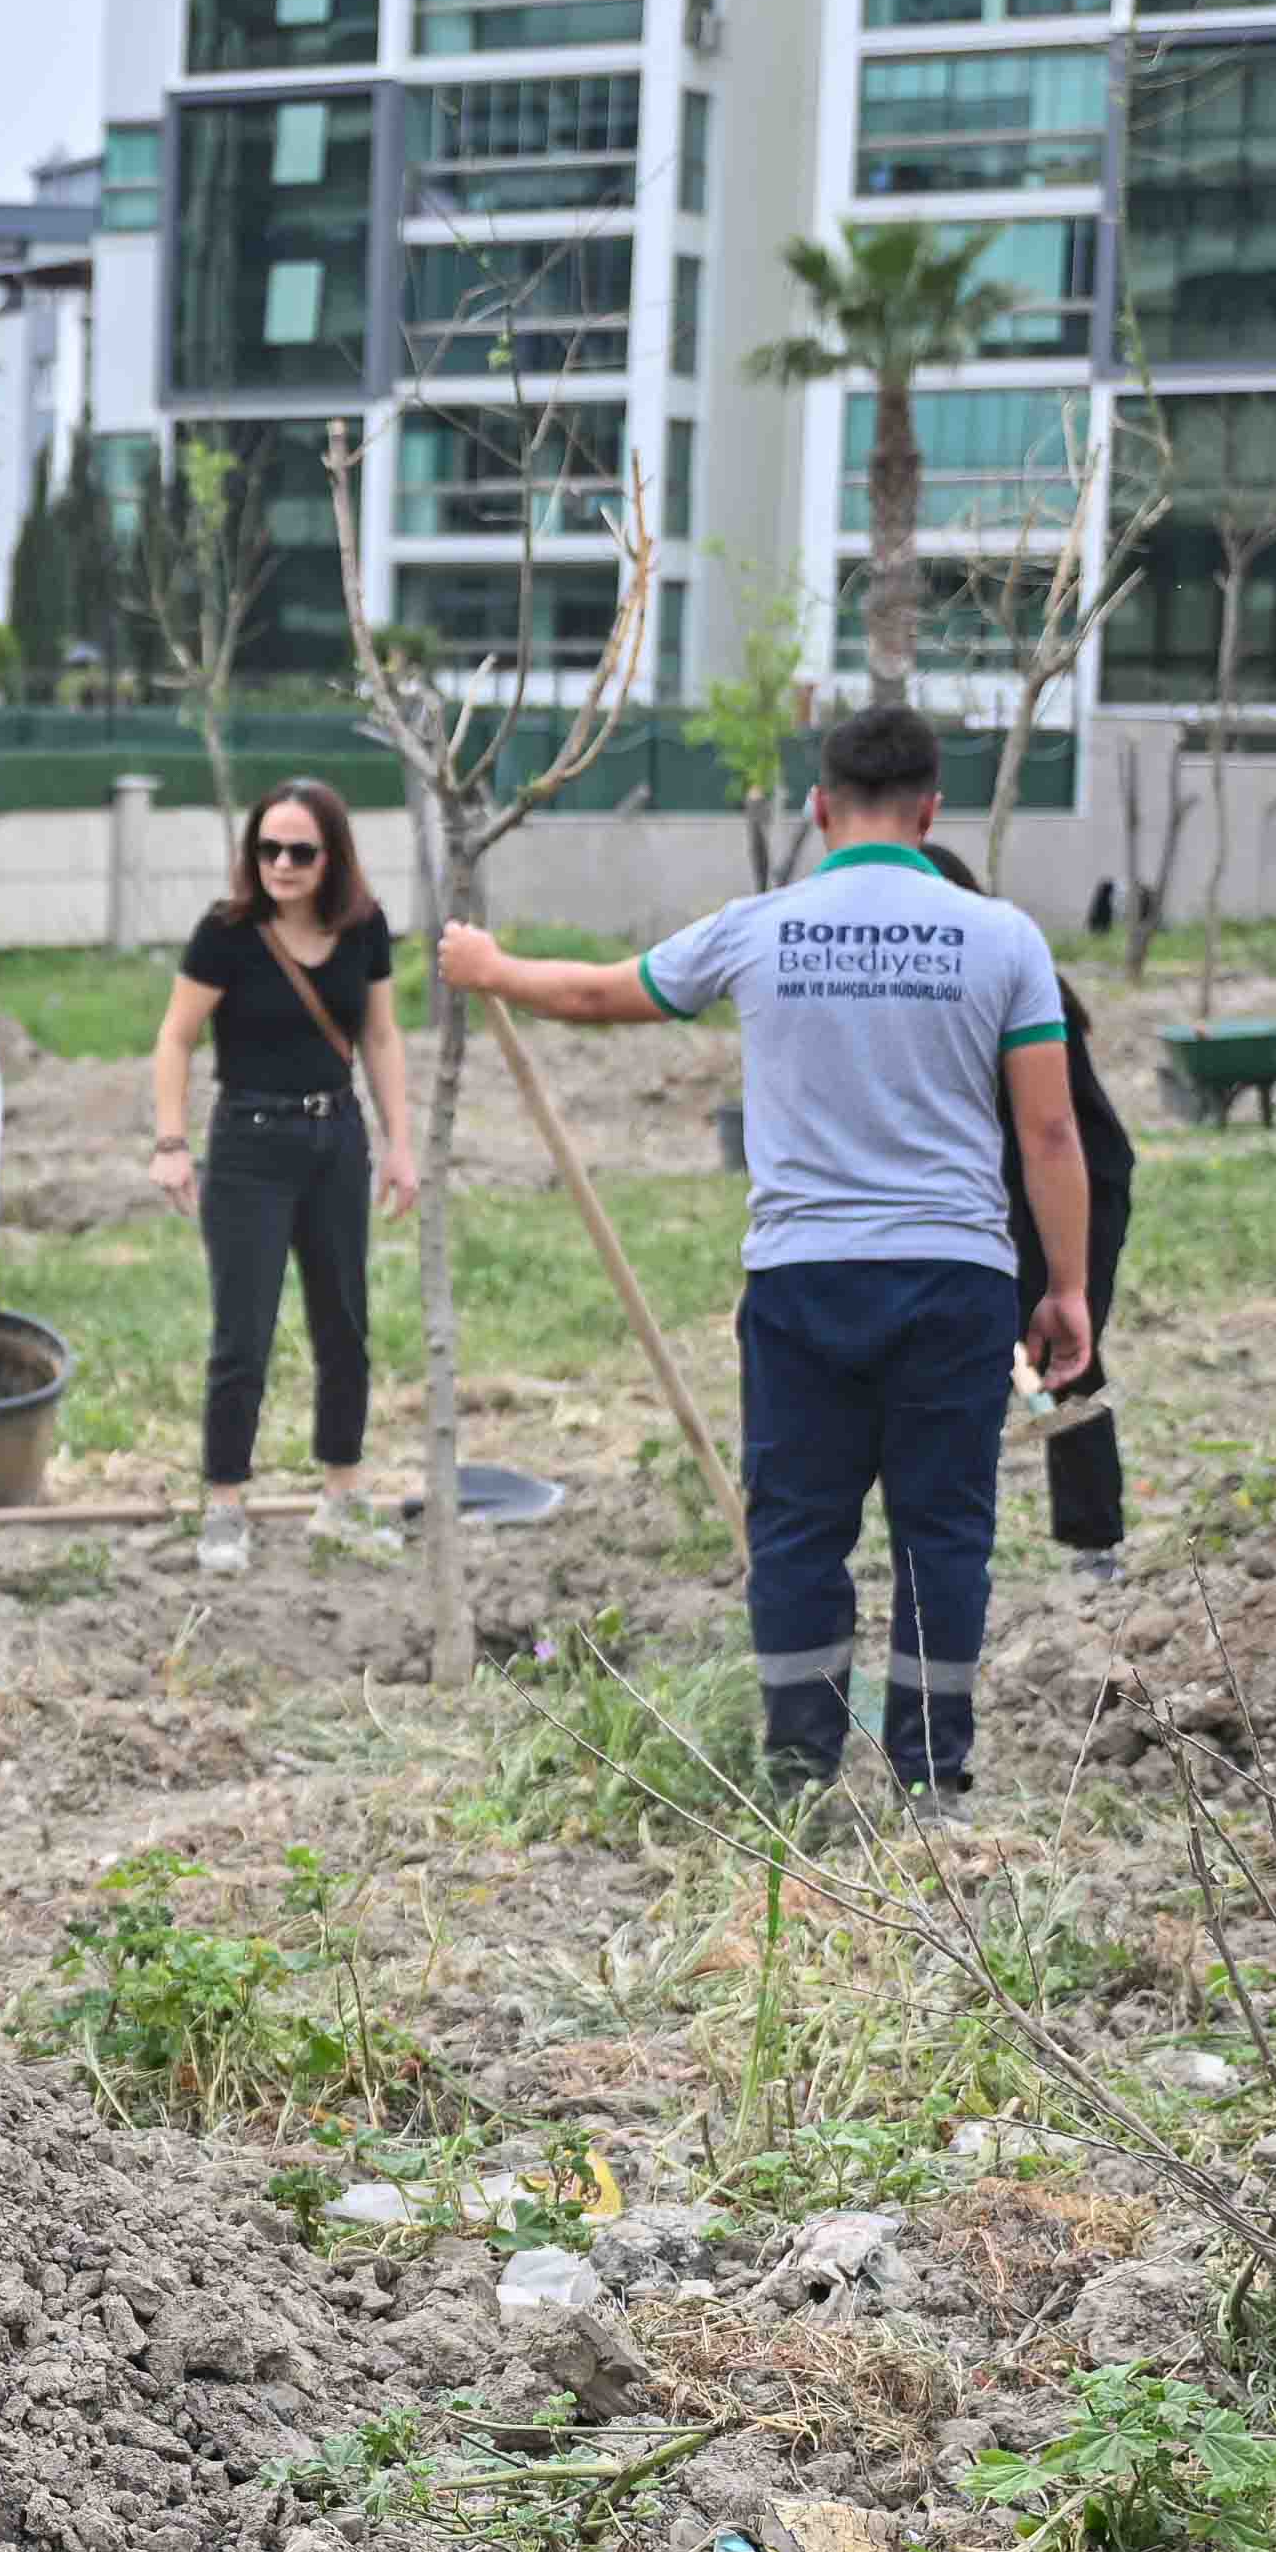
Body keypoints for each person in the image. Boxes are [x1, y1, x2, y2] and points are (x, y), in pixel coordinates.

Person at [442, 703, 1092, 1818]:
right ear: (932, 811)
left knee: (797, 1529)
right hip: (954, 1277)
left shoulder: (760, 928)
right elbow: (1049, 1131)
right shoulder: (1003, 938)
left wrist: (491, 966)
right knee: (943, 1533)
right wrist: (1066, 1287)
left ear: (819, 807)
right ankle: (933, 1781)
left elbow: (599, 994)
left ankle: (799, 1774)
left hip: (803, 1279)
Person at [150, 780, 420, 1577]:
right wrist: (170, 1141)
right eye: (268, 848)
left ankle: (341, 1495)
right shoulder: (226, 933)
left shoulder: (364, 927)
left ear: (332, 856)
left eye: (301, 851)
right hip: (249, 1144)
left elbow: (381, 1036)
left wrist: (400, 1144)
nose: (282, 864)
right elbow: (175, 1038)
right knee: (244, 1332)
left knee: (345, 1323)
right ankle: (225, 1505)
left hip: (337, 1137)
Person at [931, 849, 1138, 1578]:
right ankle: (956, 1538)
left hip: (1074, 1184)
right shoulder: (952, 978)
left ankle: (1093, 1543)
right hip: (1011, 1182)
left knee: (1059, 1356)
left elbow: (1054, 1131)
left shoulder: (1011, 979)